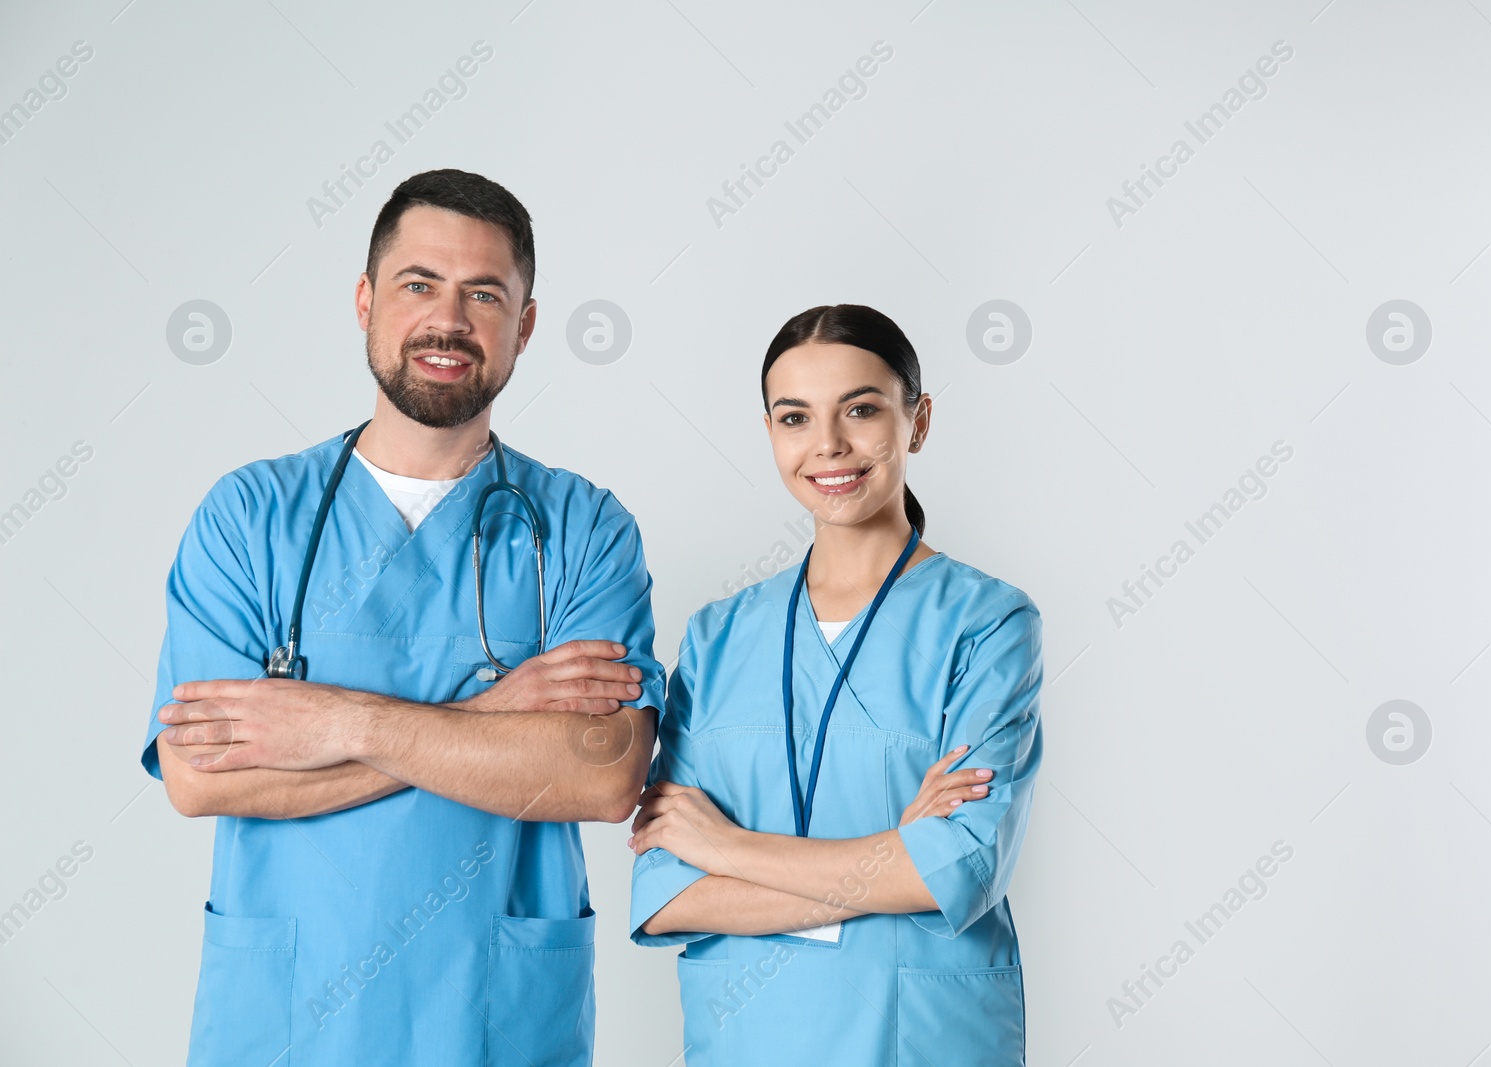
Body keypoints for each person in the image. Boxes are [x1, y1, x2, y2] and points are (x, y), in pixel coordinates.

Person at [143, 169, 665, 1066]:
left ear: (526, 325)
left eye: (484, 294)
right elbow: (199, 779)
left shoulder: (583, 528)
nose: (448, 320)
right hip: (288, 1019)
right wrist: (498, 716)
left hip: (493, 1018)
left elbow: (604, 776)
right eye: (419, 284)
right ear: (366, 301)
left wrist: (330, 719)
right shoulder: (252, 516)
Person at [627, 304, 1043, 1064]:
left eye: (861, 409)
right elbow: (666, 896)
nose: (829, 445)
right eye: (795, 417)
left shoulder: (988, 623)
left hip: (923, 1037)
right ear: (770, 434)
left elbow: (960, 865)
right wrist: (892, 855)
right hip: (750, 1034)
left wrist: (727, 845)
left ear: (917, 421)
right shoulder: (719, 637)